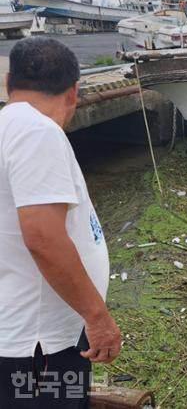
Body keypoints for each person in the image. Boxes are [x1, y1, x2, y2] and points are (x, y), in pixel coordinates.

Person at [0, 37, 120, 407]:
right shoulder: (38, 132)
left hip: (25, 337)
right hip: (40, 349)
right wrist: (97, 318)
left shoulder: (7, 126)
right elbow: (43, 237)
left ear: (8, 83)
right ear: (74, 91)